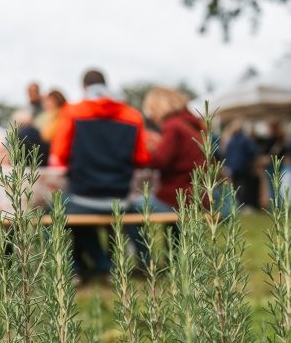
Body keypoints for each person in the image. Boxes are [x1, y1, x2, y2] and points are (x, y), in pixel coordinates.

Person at [49, 69, 149, 278]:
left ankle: (75, 269)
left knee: (52, 208)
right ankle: (106, 264)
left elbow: (60, 155)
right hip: (120, 199)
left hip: (82, 196)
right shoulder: (133, 115)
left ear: (84, 87)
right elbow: (142, 159)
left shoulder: (72, 112)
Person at [140, 87, 206, 210]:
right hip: (199, 194)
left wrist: (142, 153)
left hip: (179, 194)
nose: (151, 116)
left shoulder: (173, 126)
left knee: (133, 207)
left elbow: (160, 160)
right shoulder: (192, 124)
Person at [221, 118, 257, 206]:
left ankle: (239, 204)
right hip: (239, 167)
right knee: (239, 187)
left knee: (238, 187)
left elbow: (226, 153)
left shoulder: (235, 140)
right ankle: (239, 204)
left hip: (238, 167)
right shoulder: (241, 139)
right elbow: (252, 152)